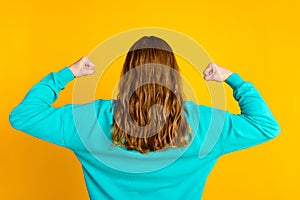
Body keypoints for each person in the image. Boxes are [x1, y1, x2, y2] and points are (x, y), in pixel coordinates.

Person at [9, 36, 280, 200]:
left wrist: (67, 73)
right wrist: (232, 78)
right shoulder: (204, 124)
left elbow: (24, 116)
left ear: (127, 73)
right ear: (174, 74)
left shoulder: (89, 120)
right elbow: (266, 126)